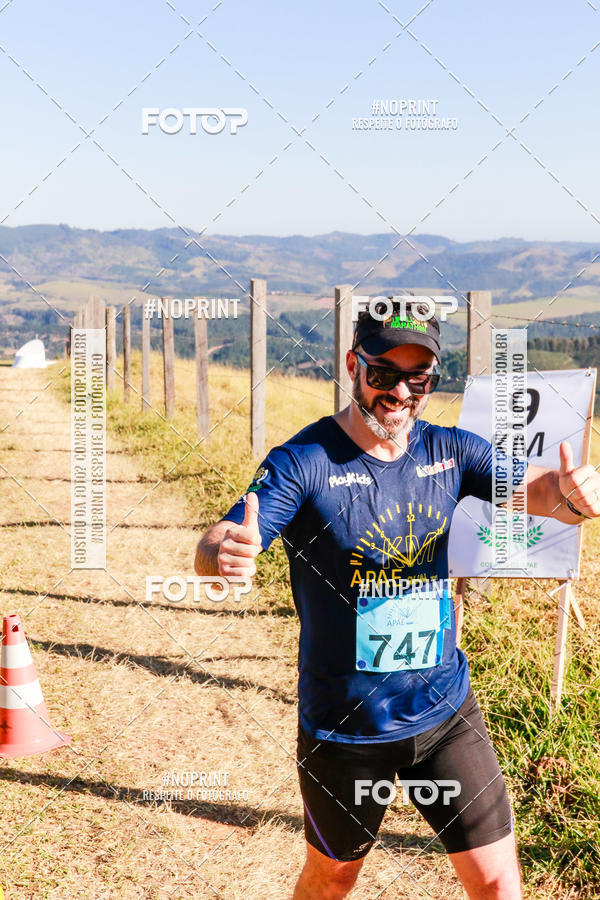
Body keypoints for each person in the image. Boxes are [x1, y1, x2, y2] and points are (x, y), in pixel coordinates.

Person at [195, 299, 600, 899]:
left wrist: (571, 495)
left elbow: (539, 492)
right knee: (332, 879)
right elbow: (221, 539)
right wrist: (222, 551)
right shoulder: (303, 463)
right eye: (384, 374)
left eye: (419, 378)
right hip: (346, 730)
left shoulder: (451, 451)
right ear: (353, 365)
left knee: (498, 883)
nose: (401, 393)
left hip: (445, 714)